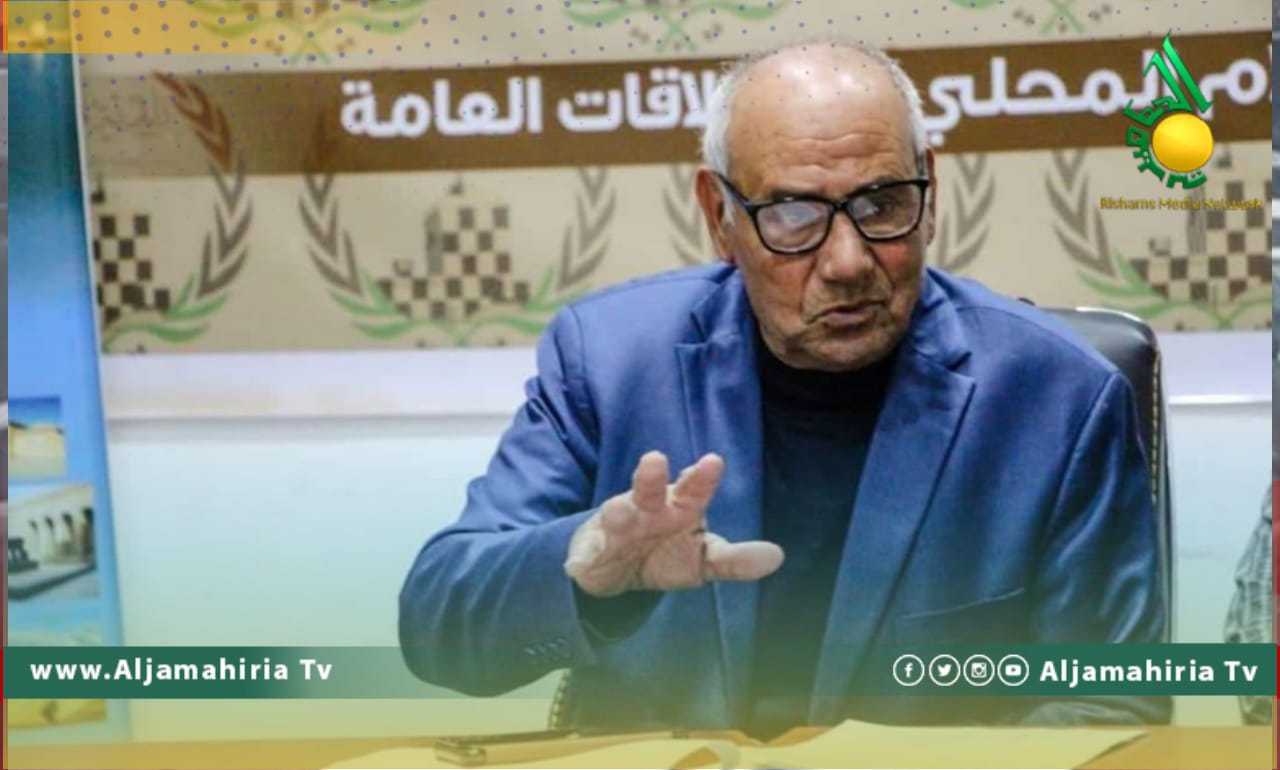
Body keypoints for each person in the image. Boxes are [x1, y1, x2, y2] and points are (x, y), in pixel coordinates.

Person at [399, 40, 1169, 737]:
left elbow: (1112, 703)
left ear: (930, 193)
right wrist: (585, 568)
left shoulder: (1059, 397)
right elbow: (438, 628)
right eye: (794, 215)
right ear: (719, 216)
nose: (847, 262)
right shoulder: (608, 362)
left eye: (882, 204)